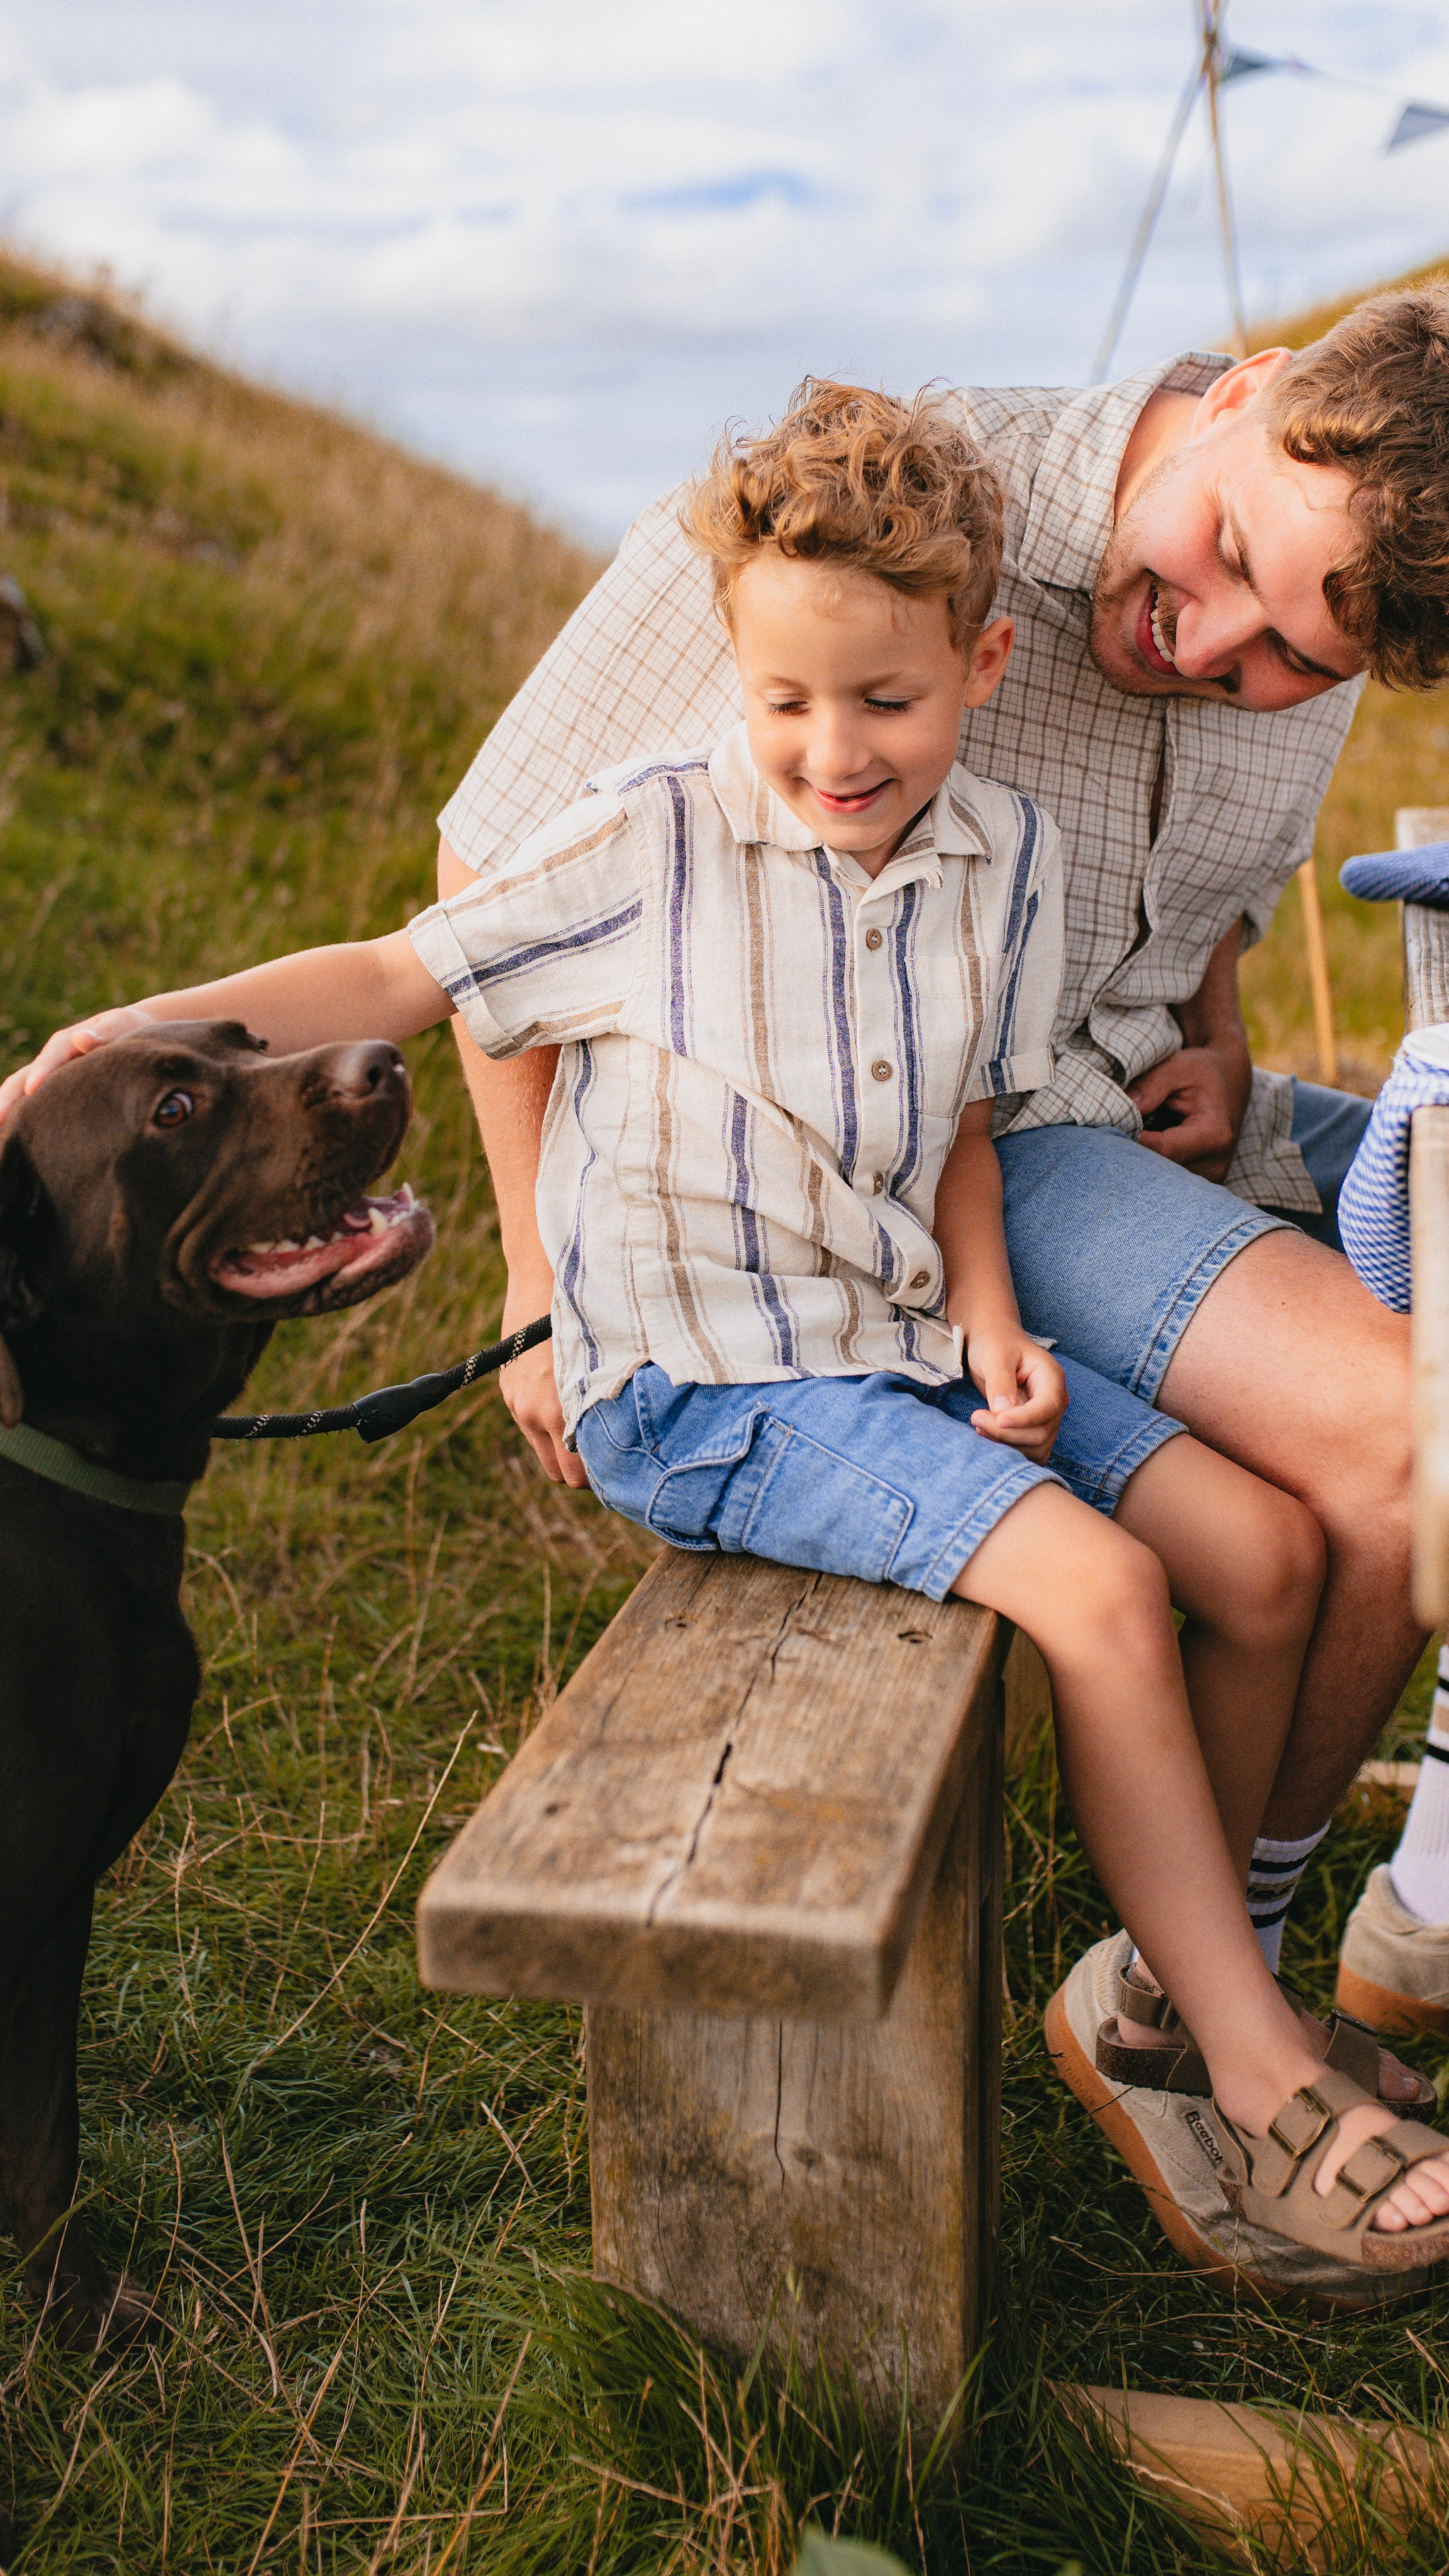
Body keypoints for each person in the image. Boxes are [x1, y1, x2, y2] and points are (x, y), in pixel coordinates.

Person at [8, 382, 1449, 2294]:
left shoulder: (992, 858)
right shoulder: (668, 827)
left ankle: (1181, 1991)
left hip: (915, 1305)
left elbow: (959, 1125)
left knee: (1265, 1553)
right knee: (1105, 1591)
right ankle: (1260, 2075)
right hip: (716, 1372)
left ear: (981, 673)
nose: (830, 752)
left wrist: (1007, 1312)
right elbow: (398, 970)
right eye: (786, 704)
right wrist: (112, 1046)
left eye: (885, 706)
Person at [416, 287, 1449, 2295]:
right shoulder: (889, 524)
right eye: (1230, 561)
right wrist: (541, 1279)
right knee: (1414, 1445)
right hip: (950, 1157)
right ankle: (1201, 2008)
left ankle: (1212, 1946)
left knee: (1348, 1457)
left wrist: (1227, 1037)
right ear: (1242, 391)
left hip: (1153, 1129)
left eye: (1291, 654)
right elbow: (489, 877)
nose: (1218, 644)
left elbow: (1219, 885)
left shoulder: (1307, 624)